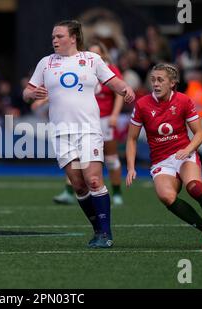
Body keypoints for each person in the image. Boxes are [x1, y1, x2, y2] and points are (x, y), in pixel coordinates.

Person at [23, 20, 135, 248]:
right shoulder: (46, 63)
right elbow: (27, 92)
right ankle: (97, 230)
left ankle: (106, 234)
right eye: (53, 36)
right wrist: (32, 94)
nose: (55, 40)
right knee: (78, 184)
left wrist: (127, 89)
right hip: (61, 132)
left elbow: (113, 82)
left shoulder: (92, 60)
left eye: (60, 36)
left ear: (73, 38)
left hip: (89, 130)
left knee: (93, 180)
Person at [125, 63, 202, 250]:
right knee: (166, 197)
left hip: (184, 154)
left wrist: (188, 150)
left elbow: (200, 134)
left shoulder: (184, 101)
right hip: (161, 160)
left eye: (160, 80)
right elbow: (131, 139)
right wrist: (130, 167)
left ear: (172, 83)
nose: (155, 83)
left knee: (195, 187)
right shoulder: (142, 105)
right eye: (153, 79)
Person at [53, 40, 125, 206]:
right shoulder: (80, 67)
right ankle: (69, 191)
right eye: (90, 52)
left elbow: (119, 92)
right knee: (75, 156)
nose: (93, 55)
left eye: (96, 52)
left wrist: (115, 114)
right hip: (84, 119)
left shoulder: (109, 69)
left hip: (104, 119)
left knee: (111, 158)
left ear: (103, 54)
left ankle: (117, 193)